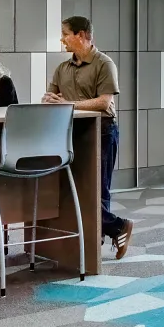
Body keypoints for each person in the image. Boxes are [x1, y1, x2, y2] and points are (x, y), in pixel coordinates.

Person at [45, 15, 131, 258]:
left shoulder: (104, 64)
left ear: (81, 35)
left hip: (102, 131)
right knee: (78, 188)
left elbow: (105, 103)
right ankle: (112, 229)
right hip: (71, 132)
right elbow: (52, 97)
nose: (62, 40)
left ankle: (108, 234)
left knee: (98, 188)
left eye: (65, 34)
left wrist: (68, 103)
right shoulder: (62, 68)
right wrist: (50, 100)